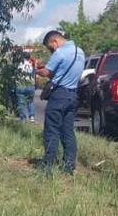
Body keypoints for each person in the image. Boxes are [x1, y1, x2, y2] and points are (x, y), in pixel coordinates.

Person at [37, 30, 85, 174]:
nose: (51, 50)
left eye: (50, 47)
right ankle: (69, 166)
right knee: (68, 131)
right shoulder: (80, 52)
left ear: (55, 42)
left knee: (51, 130)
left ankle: (48, 166)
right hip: (73, 95)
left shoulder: (60, 53)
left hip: (59, 95)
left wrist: (38, 70)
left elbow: (47, 72)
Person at [15, 53, 37, 122]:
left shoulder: (19, 65)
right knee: (30, 101)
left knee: (21, 102)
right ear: (29, 58)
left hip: (21, 85)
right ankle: (32, 116)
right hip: (30, 85)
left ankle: (23, 119)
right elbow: (34, 75)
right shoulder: (31, 65)